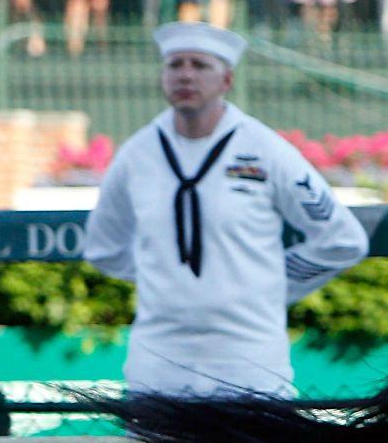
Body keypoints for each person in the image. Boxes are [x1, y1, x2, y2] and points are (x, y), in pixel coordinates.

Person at [83, 22, 370, 397]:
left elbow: (342, 240)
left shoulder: (265, 150)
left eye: (200, 65)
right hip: (158, 367)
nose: (186, 75)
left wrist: (267, 286)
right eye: (175, 64)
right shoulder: (137, 155)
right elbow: (103, 247)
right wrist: (165, 282)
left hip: (250, 363)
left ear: (227, 80)